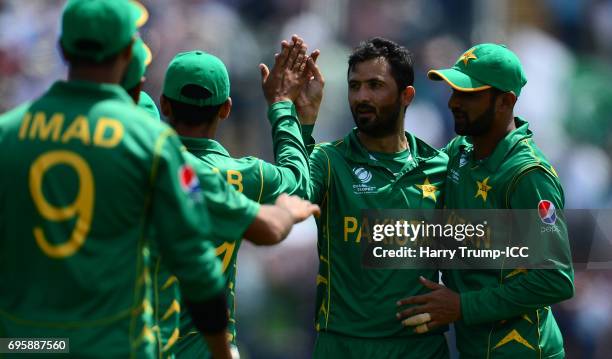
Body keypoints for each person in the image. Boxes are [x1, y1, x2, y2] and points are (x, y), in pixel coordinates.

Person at [0, 0, 230, 357]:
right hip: (111, 347)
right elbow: (196, 262)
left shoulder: (6, 135)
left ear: (62, 49)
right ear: (127, 54)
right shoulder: (150, 143)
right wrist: (220, 350)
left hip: (25, 347)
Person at [396, 43, 575, 359]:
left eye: (469, 94)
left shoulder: (528, 175)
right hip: (475, 349)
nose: (453, 102)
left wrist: (462, 306)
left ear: (506, 101)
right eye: (453, 91)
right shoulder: (460, 151)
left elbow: (555, 280)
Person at [155, 36, 317, 358]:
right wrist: (283, 107)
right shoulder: (246, 176)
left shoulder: (143, 167)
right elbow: (299, 185)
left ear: (164, 105)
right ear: (226, 109)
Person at [298, 37, 449, 358]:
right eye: (355, 86)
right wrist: (301, 121)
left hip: (419, 347)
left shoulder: (441, 168)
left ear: (407, 95)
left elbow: (487, 247)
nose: (362, 97)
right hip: (342, 346)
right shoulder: (328, 161)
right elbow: (292, 193)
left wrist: (462, 304)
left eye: (375, 85)